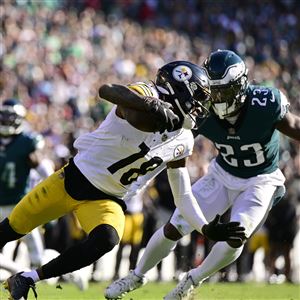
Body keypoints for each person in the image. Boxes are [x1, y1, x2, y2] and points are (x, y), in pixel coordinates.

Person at [1, 61, 245, 300]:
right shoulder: (146, 93)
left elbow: (182, 195)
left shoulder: (184, 139)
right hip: (71, 181)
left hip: (108, 199)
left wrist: (204, 227)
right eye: (198, 98)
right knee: (9, 230)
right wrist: (153, 107)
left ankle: (27, 278)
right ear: (179, 89)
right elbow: (108, 91)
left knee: (106, 239)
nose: (200, 108)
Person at [105, 50, 300, 300]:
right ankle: (136, 275)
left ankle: (191, 281)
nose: (217, 98)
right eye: (213, 91)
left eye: (224, 91)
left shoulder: (265, 103)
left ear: (240, 86)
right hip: (222, 173)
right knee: (176, 224)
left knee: (236, 235)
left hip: (261, 179)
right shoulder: (201, 109)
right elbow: (172, 145)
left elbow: (294, 126)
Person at [0, 99, 54, 271]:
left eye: (10, 118)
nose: (6, 121)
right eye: (4, 117)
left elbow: (45, 172)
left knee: (37, 257)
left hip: (19, 205)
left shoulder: (26, 142)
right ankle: (15, 271)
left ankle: (72, 274)